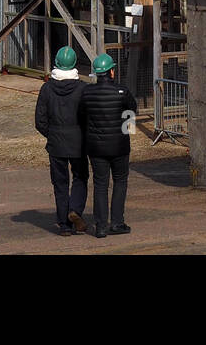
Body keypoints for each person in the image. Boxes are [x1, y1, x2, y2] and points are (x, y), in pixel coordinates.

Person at [79, 52, 138, 238]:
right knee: (120, 182)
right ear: (111, 72)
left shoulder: (87, 92)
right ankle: (117, 222)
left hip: (96, 147)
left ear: (97, 73)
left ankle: (101, 225)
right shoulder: (122, 91)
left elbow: (81, 116)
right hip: (120, 146)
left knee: (100, 184)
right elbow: (131, 112)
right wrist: (123, 129)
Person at [34, 46, 89, 236]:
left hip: (56, 143)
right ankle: (75, 210)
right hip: (78, 142)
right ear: (74, 64)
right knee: (81, 178)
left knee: (60, 183)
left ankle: (64, 225)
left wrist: (52, 134)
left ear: (56, 63)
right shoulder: (83, 88)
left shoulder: (46, 88)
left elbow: (39, 121)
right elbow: (89, 117)